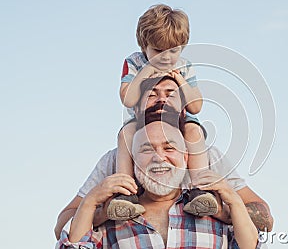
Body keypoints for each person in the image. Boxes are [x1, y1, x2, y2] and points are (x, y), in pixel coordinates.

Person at [54, 76, 274, 239]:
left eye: (170, 94)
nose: (161, 100)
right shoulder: (113, 162)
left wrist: (223, 210)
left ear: (184, 108)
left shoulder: (207, 156)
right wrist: (102, 209)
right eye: (151, 94)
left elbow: (265, 220)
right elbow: (61, 228)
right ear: (136, 108)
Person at [56, 113, 261, 248]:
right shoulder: (113, 221)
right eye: (147, 149)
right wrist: (91, 201)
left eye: (169, 148)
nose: (158, 157)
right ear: (133, 162)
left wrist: (234, 201)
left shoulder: (212, 211)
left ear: (186, 158)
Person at [113, 3, 216, 218]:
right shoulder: (134, 62)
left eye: (173, 51)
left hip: (176, 120)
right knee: (125, 134)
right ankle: (125, 193)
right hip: (144, 120)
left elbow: (196, 107)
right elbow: (128, 99)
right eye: (158, 51)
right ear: (144, 46)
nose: (166, 58)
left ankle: (200, 190)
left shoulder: (185, 66)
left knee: (194, 132)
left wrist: (180, 78)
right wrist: (148, 70)